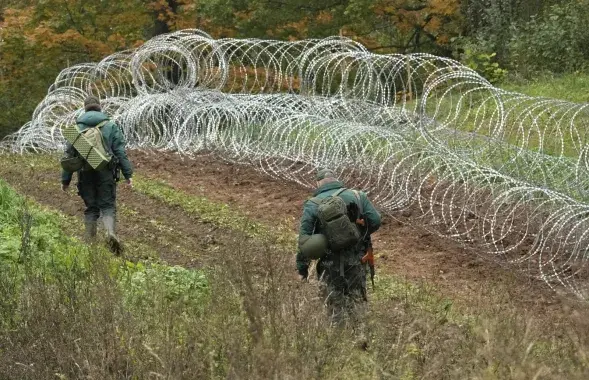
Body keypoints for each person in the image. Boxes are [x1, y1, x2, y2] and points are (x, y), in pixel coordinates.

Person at [296, 168, 381, 326]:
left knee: (334, 302)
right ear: (336, 180)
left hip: (329, 262)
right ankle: (362, 337)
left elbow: (304, 240)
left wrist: (302, 269)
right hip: (357, 258)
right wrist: (358, 234)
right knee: (358, 298)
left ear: (319, 183)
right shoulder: (358, 196)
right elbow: (375, 221)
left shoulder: (312, 204)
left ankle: (339, 339)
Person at [61, 96, 134, 254]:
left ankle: (89, 244)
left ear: (85, 109)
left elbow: (69, 156)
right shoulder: (110, 125)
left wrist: (65, 180)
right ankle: (110, 233)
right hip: (106, 171)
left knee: (91, 208)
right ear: (100, 108)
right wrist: (128, 174)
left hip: (85, 172)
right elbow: (120, 151)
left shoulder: (76, 128)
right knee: (107, 205)